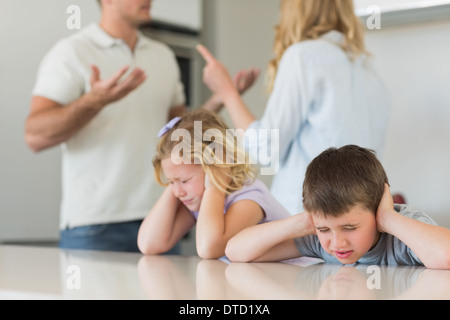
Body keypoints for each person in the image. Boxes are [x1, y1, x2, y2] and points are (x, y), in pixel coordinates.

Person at [24, 0, 258, 252]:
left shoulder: (162, 56)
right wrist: (94, 101)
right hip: (96, 224)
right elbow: (34, 136)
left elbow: (180, 136)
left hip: (161, 217)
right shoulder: (73, 52)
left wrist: (222, 96)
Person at [197, 0, 391, 215]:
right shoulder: (366, 67)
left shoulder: (303, 56)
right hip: (358, 219)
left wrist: (227, 92)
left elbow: (266, 150)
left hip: (307, 217)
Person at [225, 145, 450, 270]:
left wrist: (389, 219)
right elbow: (235, 252)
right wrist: (304, 221)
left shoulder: (402, 234)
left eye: (350, 227)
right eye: (324, 229)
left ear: (377, 210)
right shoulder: (319, 239)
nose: (337, 243)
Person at [137, 109, 291, 259]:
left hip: (296, 280)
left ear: (218, 164)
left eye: (184, 181)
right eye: (171, 182)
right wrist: (176, 180)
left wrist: (214, 184)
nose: (178, 192)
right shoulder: (198, 199)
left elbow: (208, 248)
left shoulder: (250, 198)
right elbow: (148, 244)